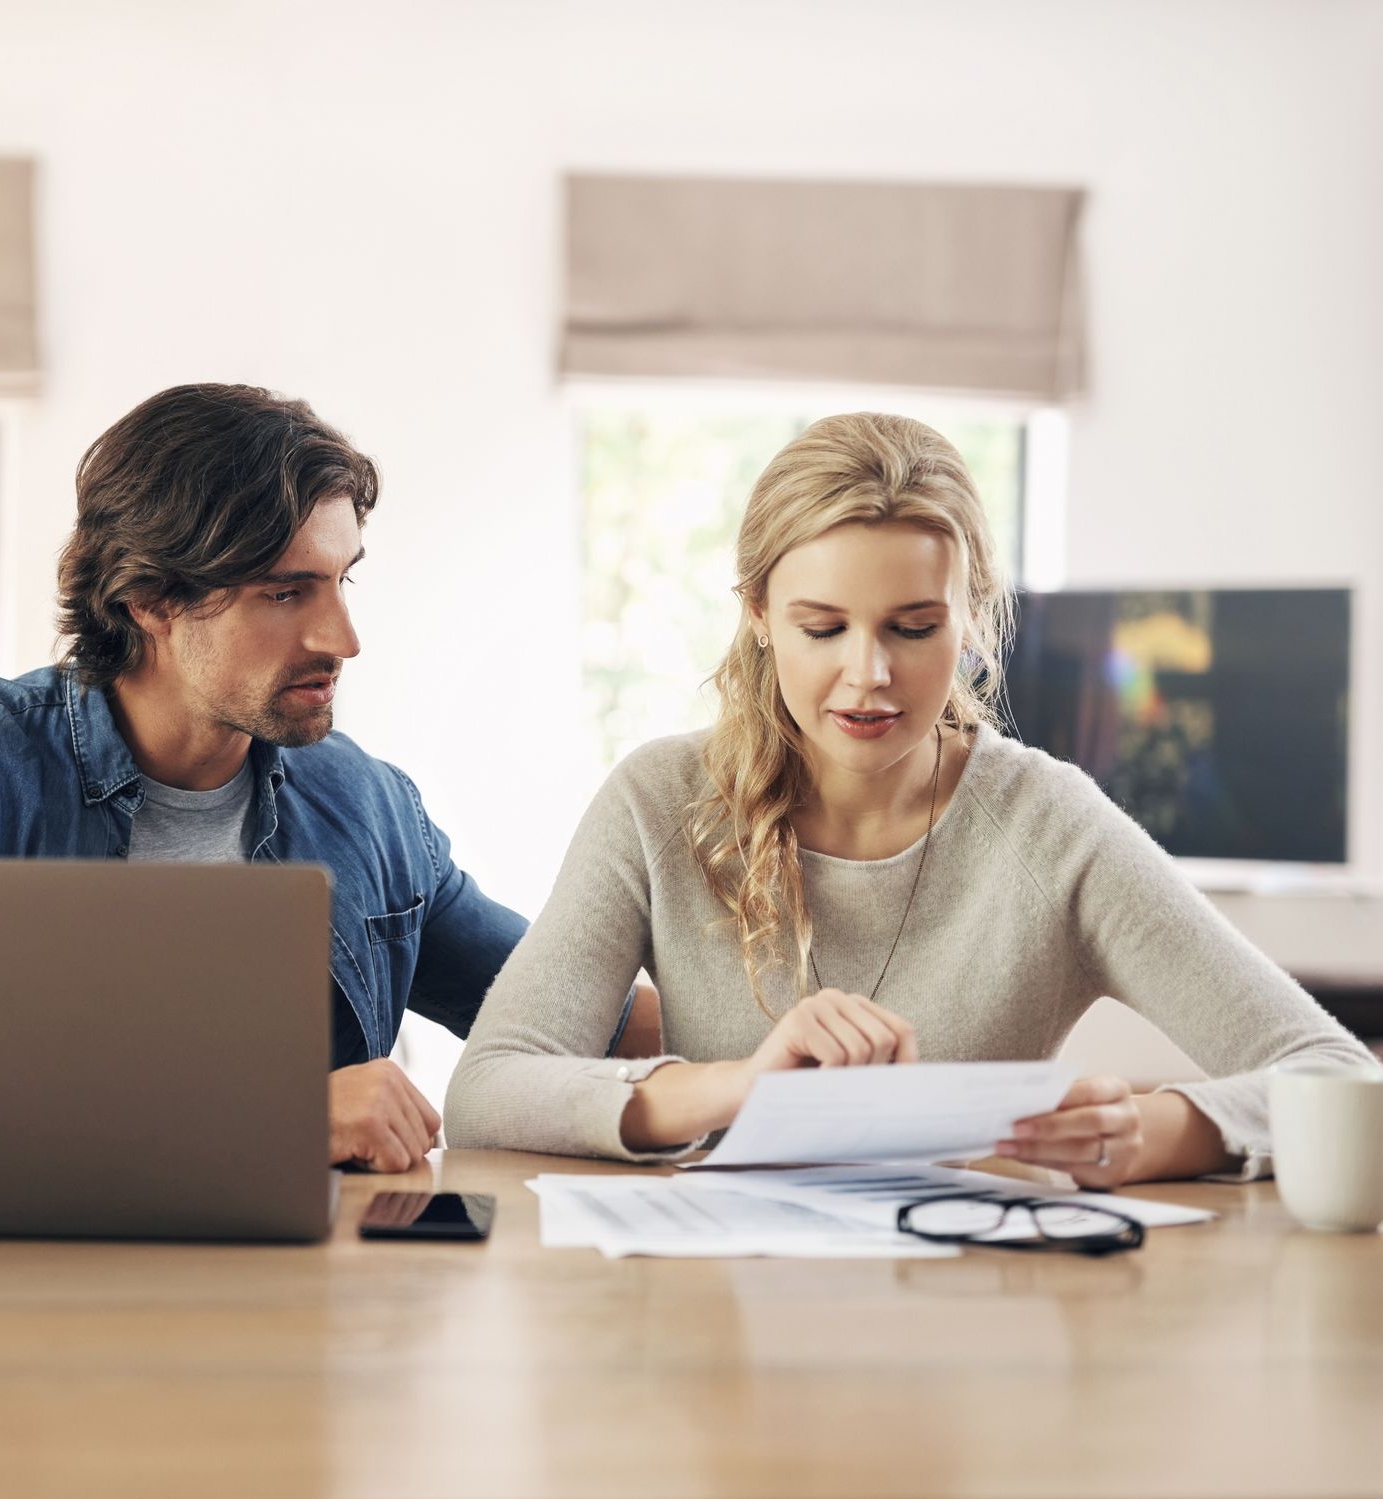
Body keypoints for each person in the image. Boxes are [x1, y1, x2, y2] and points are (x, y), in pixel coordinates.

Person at [445, 412, 1372, 1185]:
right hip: (717, 1323)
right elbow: (488, 1090)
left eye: (913, 627)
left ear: (969, 617)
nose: (868, 676)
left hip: (967, 1310)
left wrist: (1159, 1132)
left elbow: (1332, 1069)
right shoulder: (657, 801)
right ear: (759, 616)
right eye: (823, 627)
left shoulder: (1052, 825)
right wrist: (741, 1086)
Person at [0, 383, 654, 1173]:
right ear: (148, 598)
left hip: (294, 1300)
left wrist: (770, 1047)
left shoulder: (371, 809)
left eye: (342, 580)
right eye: (287, 593)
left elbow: (575, 1020)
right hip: (11, 1294)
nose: (342, 638)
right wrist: (274, 1117)